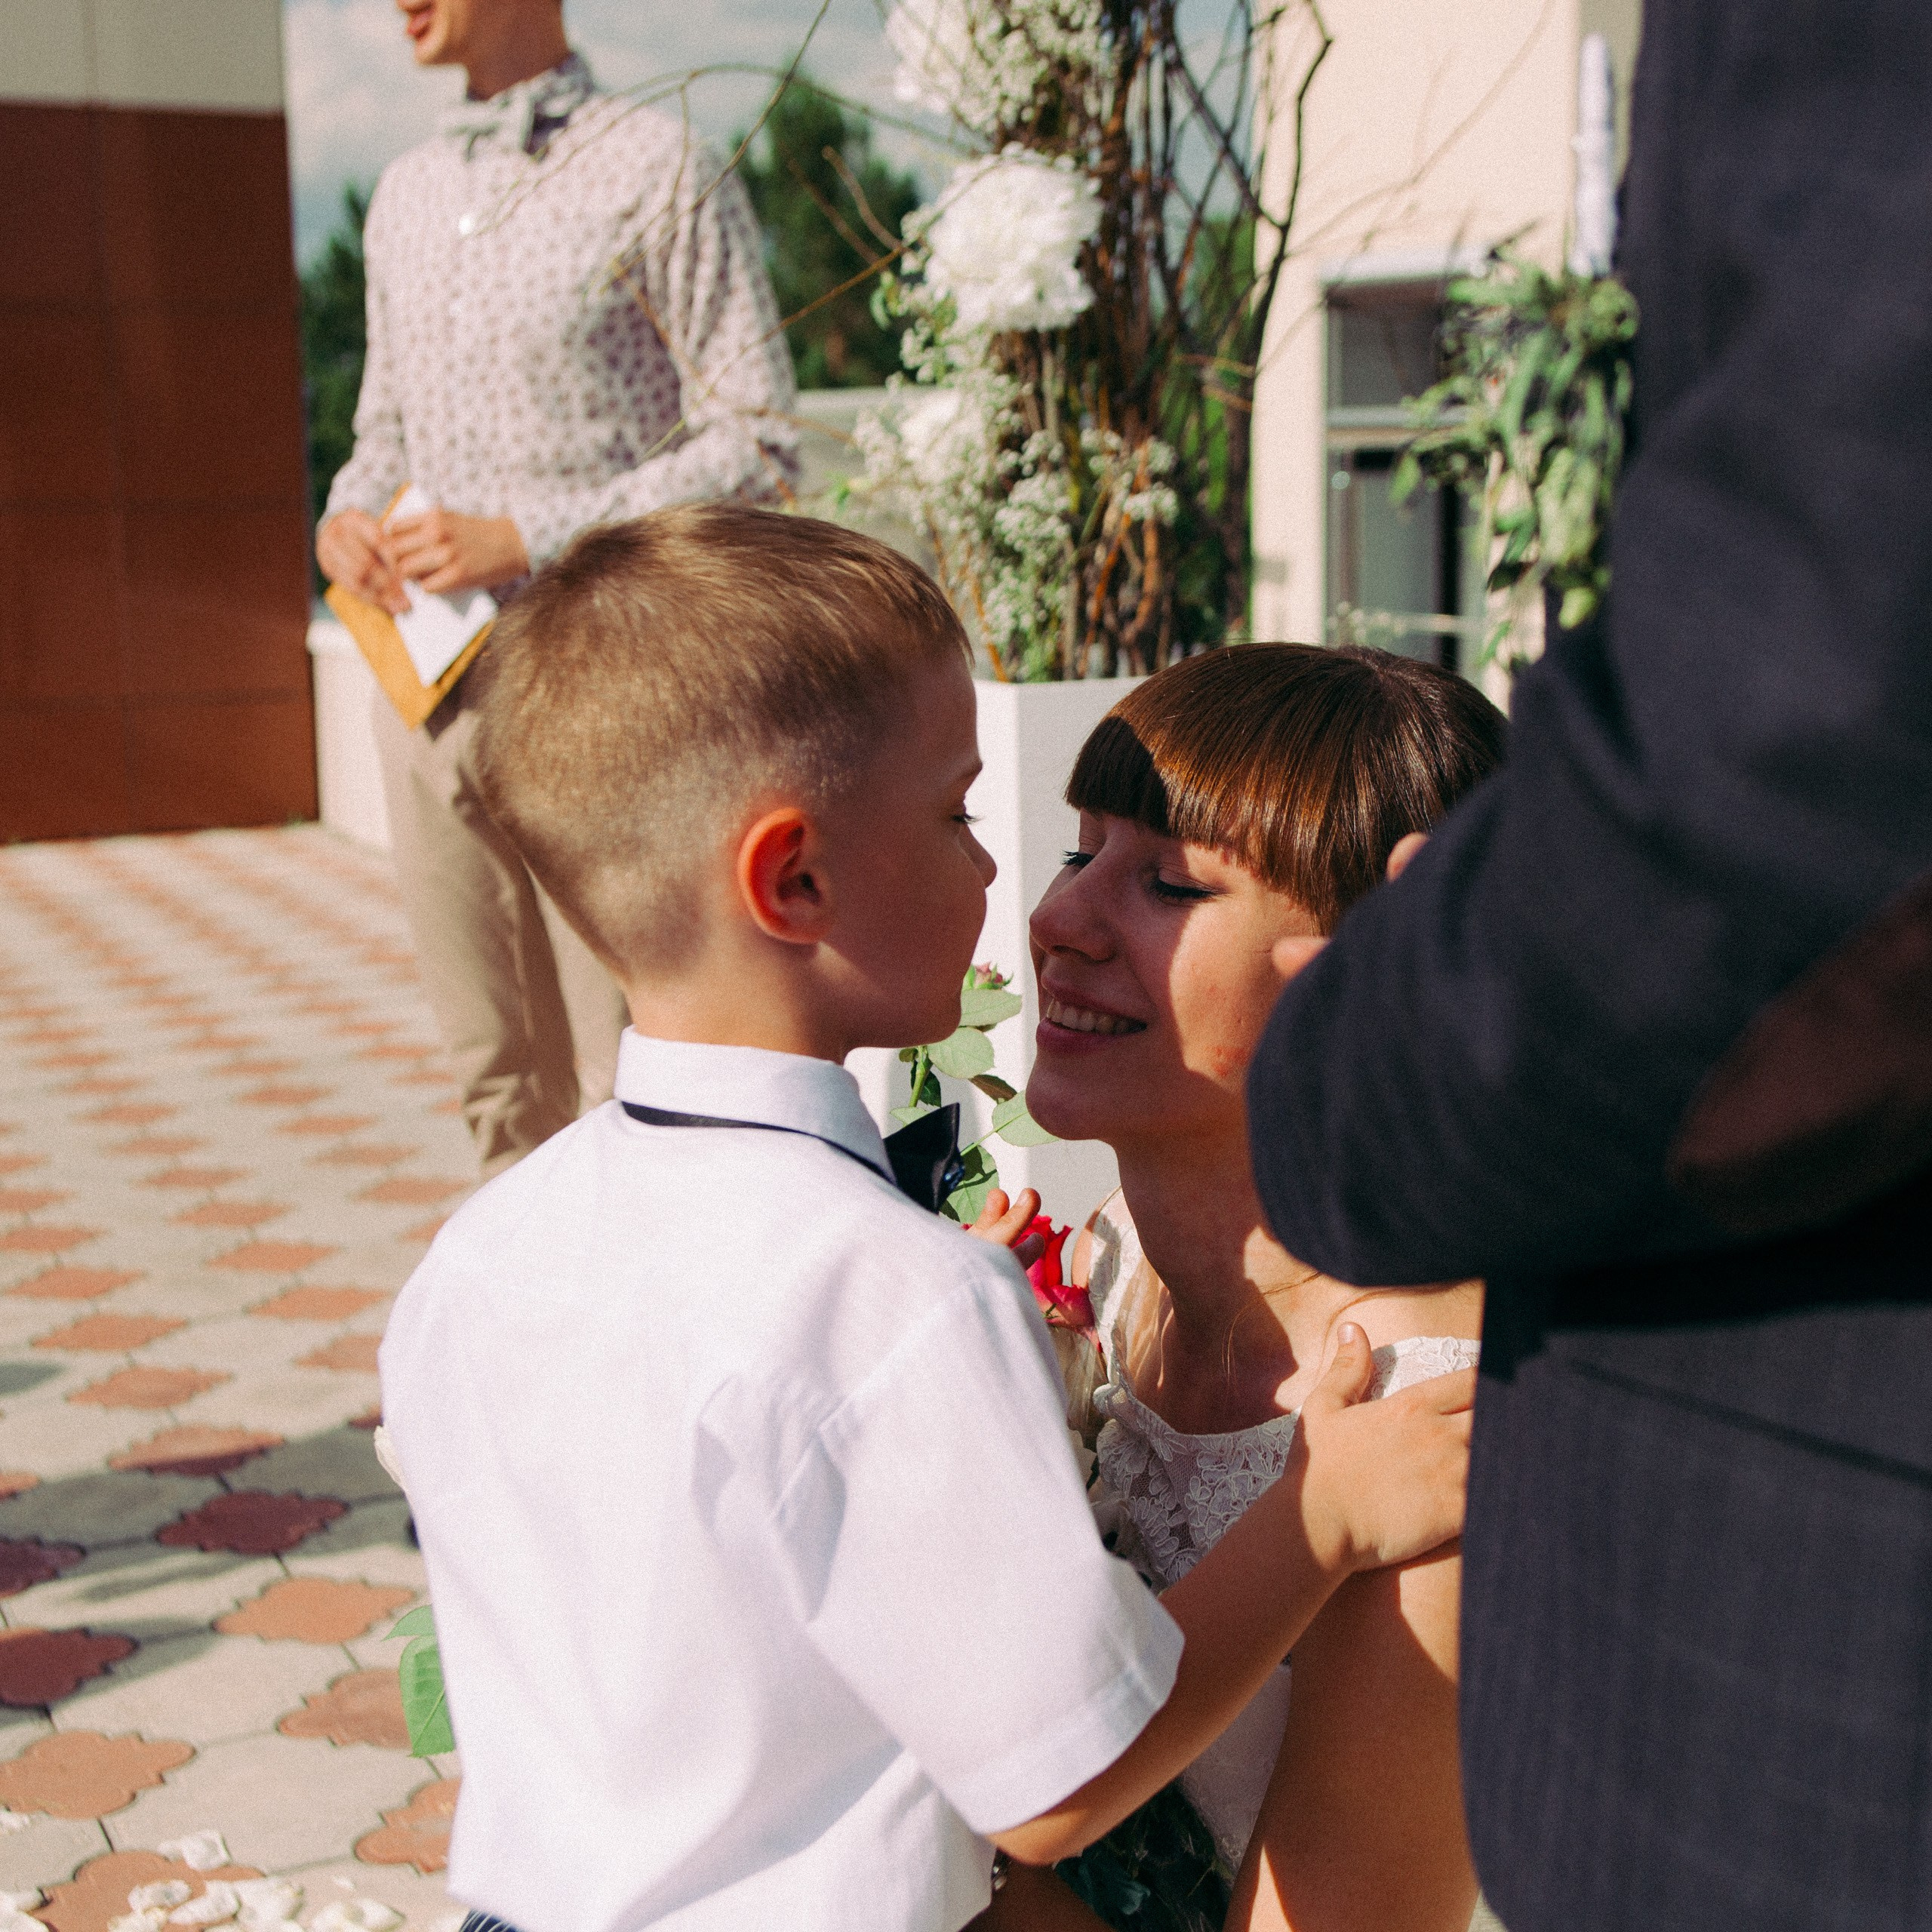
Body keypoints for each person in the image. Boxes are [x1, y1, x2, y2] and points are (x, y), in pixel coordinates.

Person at [377, 506, 1476, 1932]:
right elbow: (1049, 1784)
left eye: (1165, 882)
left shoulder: (484, 1252)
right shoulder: (953, 1290)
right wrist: (1314, 1516)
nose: (1046, 911)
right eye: (998, 827)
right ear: (794, 880)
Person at [1242, 3, 1932, 1927]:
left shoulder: (1398, 1381)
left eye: (1155, 876)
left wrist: (1349, 1070)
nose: (1052, 913)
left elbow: (1816, 709)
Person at [990, 646, 1503, 1932]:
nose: (1062, 921)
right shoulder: (1111, 1266)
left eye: (1169, 882)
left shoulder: (1427, 1436)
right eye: (1078, 854)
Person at [316, 0, 796, 1177]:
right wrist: (344, 516)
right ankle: (525, 1297)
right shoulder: (405, 195)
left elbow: (760, 440)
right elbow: (384, 435)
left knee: (628, 1070)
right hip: (429, 692)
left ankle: (657, 1294)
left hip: (610, 684)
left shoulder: (658, 166)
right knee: (492, 1074)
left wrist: (525, 535)